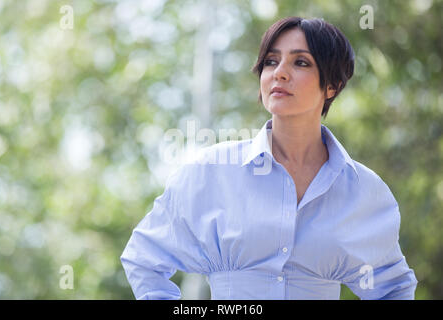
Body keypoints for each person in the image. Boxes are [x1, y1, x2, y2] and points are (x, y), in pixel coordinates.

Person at [120, 16, 418, 300]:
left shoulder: (362, 189)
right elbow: (144, 258)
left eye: (300, 62)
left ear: (332, 86)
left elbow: (393, 286)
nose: (280, 73)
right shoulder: (211, 170)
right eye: (271, 62)